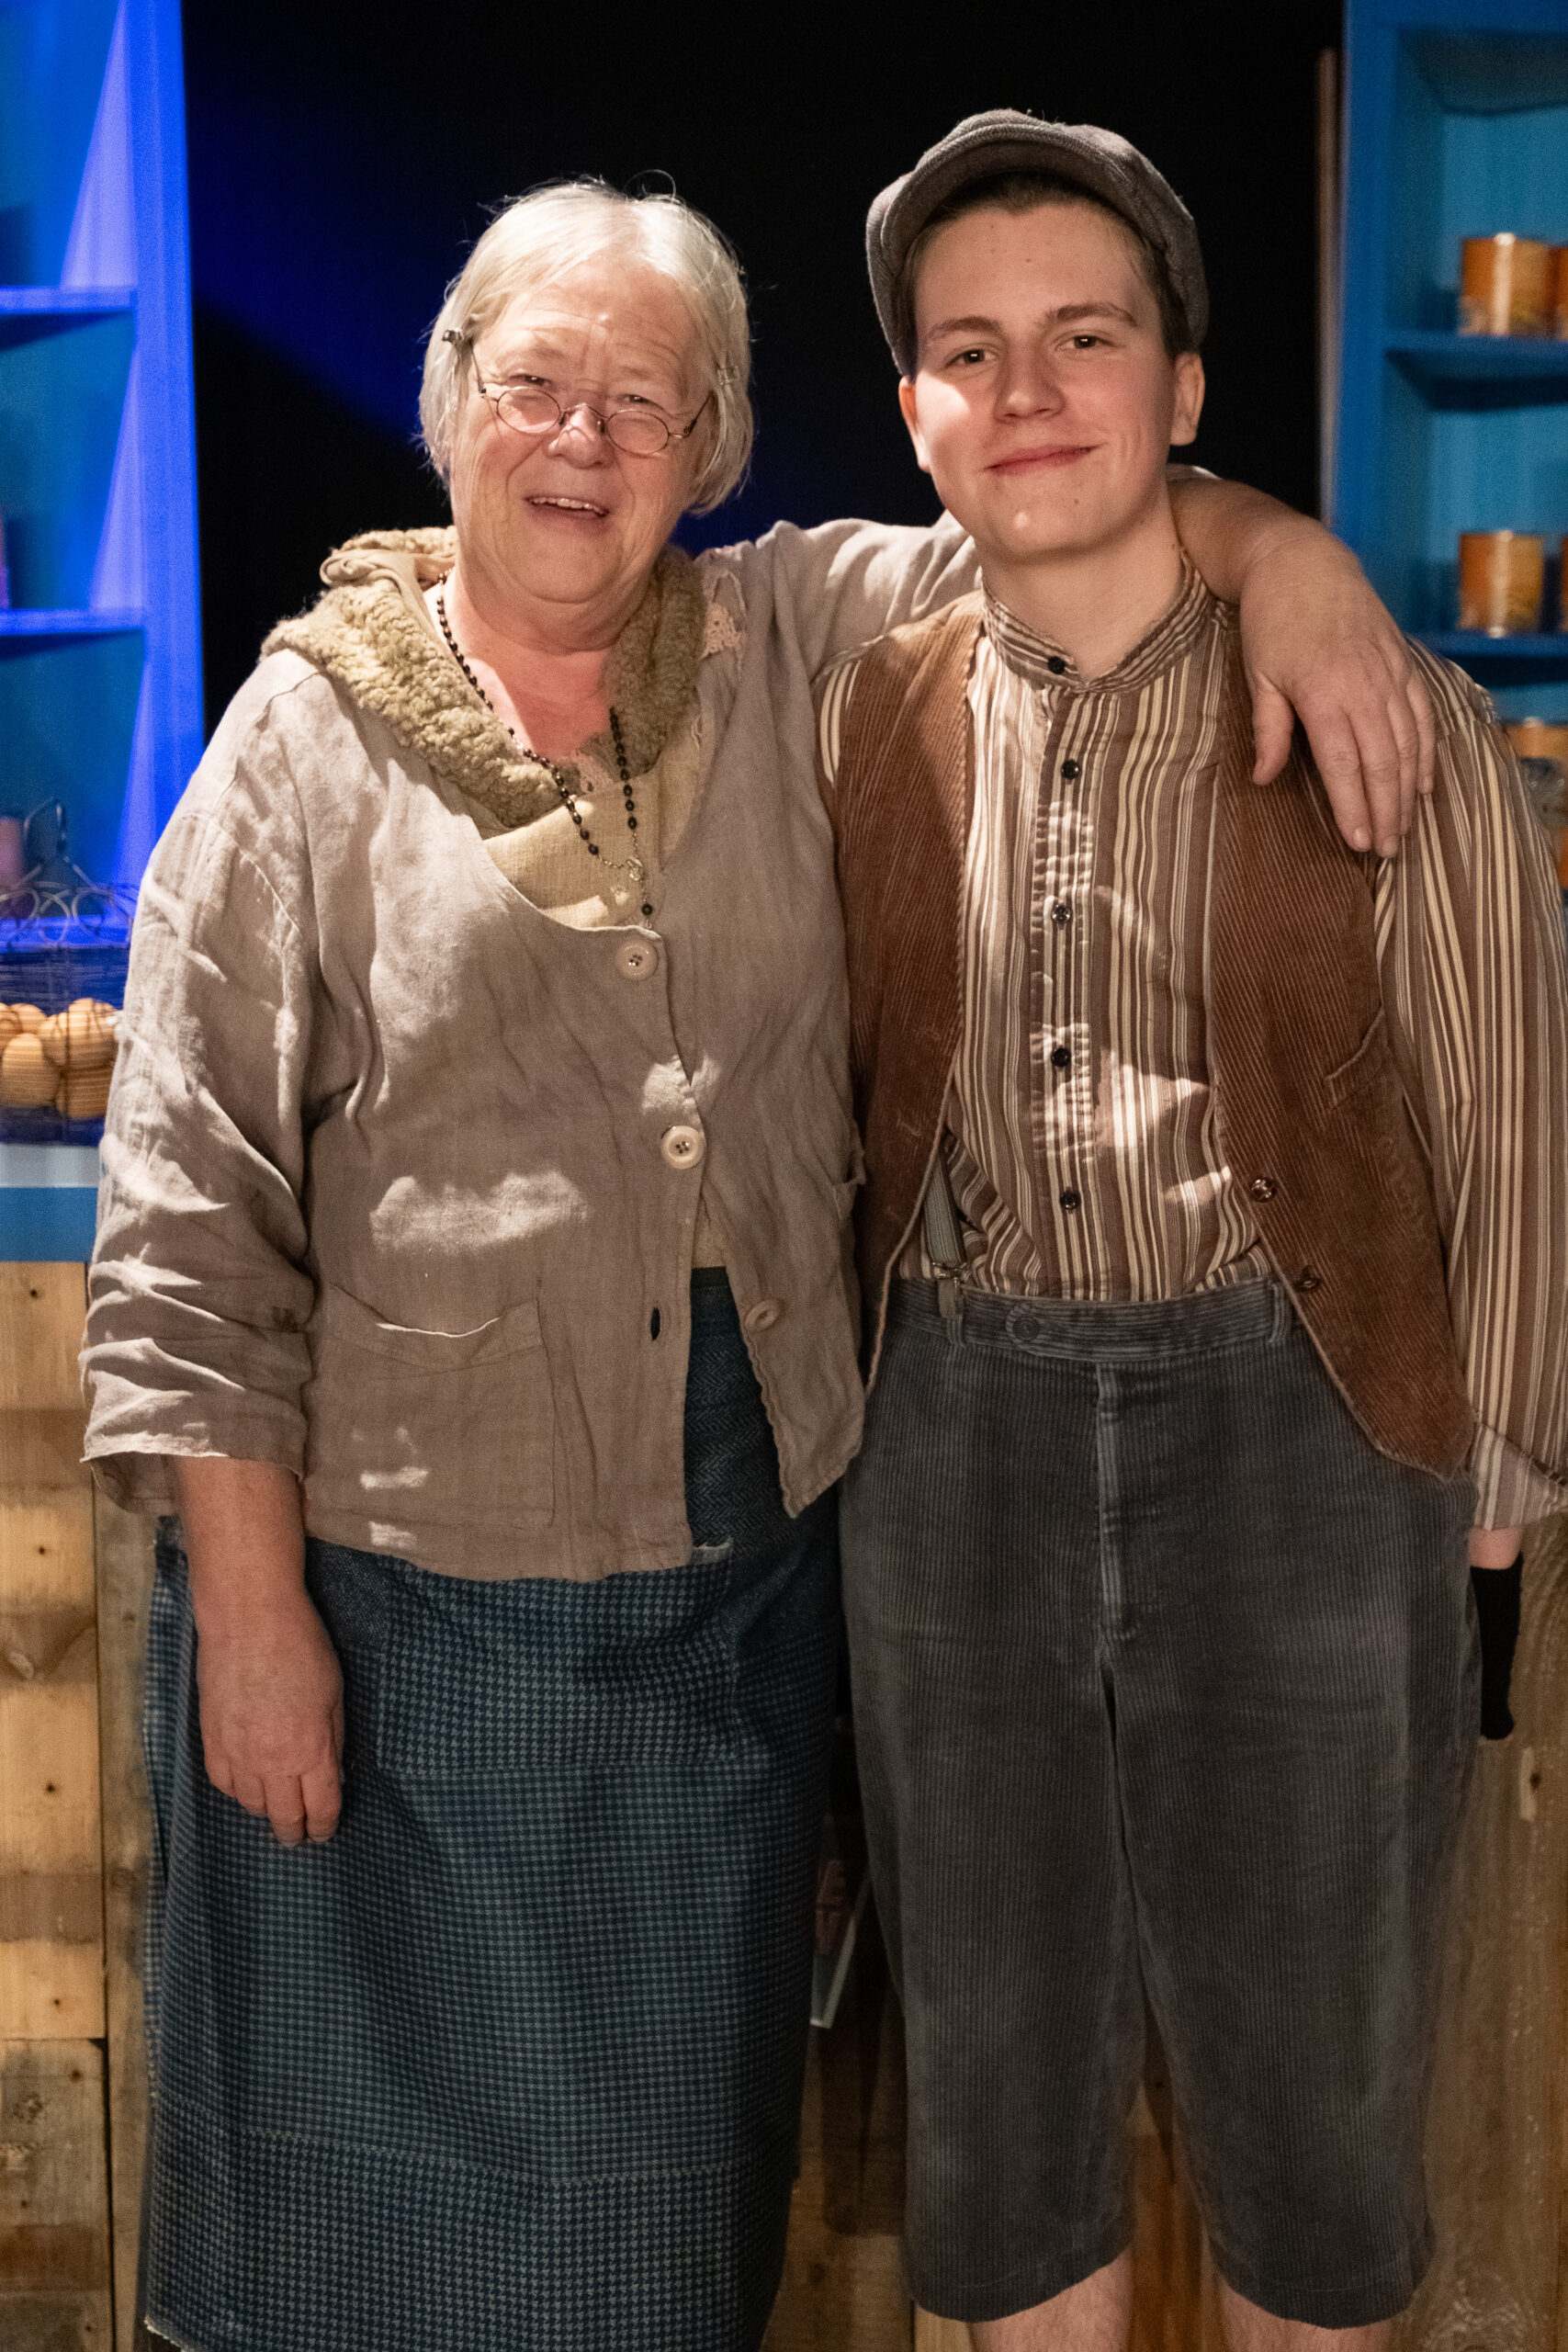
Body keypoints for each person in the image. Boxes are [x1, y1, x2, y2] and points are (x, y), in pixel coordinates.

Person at [85, 174, 1443, 2352]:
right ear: (451, 401)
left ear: (709, 444)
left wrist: (1284, 557)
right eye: (536, 382)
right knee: (346, 2265)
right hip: (386, 1623)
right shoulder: (300, 742)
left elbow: (1069, 515)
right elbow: (187, 1225)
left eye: (646, 399)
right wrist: (250, 1618)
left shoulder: (790, 635)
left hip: (722, 1623)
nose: (583, 439)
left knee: (655, 2253)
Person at [819, 112, 1568, 2352]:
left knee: (1315, 2113)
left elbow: (1509, 1126)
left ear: (1181, 387)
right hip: (951, 1441)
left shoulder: (1374, 708)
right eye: (969, 350)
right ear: (914, 413)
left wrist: (1484, 1500)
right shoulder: (861, 705)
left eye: (1083, 336)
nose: (1025, 389)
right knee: (994, 2100)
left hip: (1300, 1433)